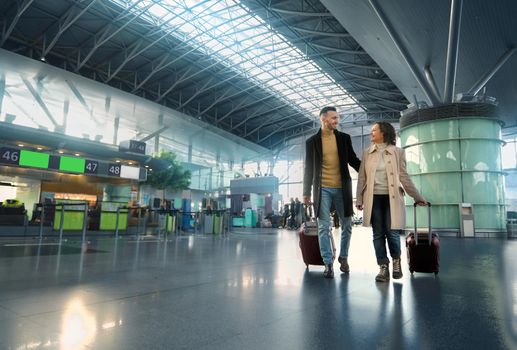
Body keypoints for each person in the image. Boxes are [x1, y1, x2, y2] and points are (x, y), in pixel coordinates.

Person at [356, 122, 427, 282]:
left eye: (374, 130)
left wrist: (417, 196)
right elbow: (362, 177)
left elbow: (404, 177)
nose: (371, 133)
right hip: (373, 198)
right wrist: (359, 198)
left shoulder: (398, 152)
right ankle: (383, 267)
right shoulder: (367, 153)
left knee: (392, 232)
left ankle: (396, 261)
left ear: (384, 133)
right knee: (377, 234)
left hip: (392, 198)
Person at [303, 106, 361, 278]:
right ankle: (328, 262)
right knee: (323, 227)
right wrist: (306, 192)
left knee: (347, 224)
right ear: (323, 119)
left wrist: (368, 174)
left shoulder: (344, 138)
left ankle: (343, 257)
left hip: (342, 189)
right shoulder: (312, 142)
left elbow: (353, 160)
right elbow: (309, 168)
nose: (337, 121)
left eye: (337, 118)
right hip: (323, 189)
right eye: (334, 118)